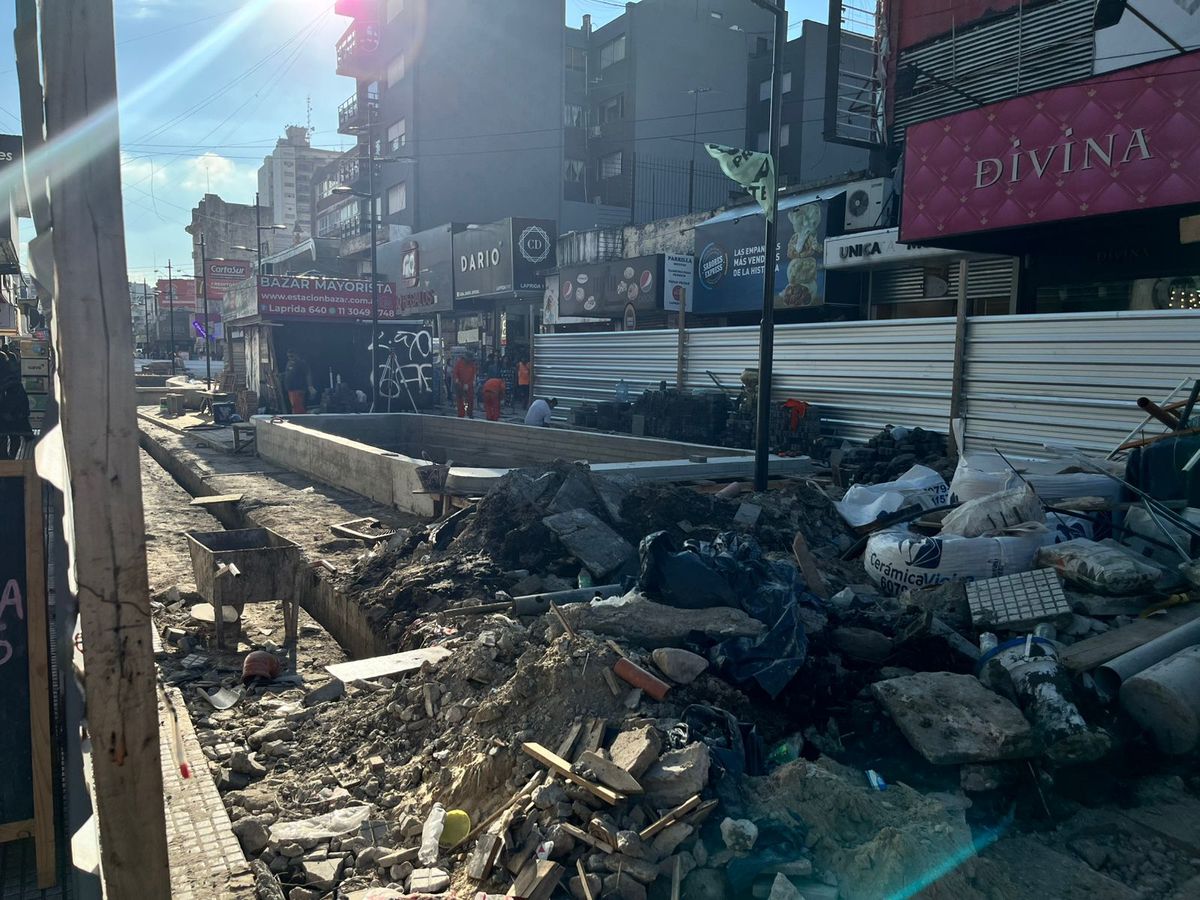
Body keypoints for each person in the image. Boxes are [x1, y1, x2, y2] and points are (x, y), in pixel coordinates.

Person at [284, 350, 315, 414]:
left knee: (298, 407)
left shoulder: (301, 363)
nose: (290, 358)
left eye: (291, 356)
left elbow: (308, 374)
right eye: (288, 356)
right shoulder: (289, 363)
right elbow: (288, 373)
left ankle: (300, 421)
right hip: (290, 389)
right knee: (294, 406)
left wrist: (310, 386)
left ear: (296, 355)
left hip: (298, 389)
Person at [452, 352, 477, 418]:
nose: (470, 361)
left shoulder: (472, 365)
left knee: (470, 400)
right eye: (469, 359)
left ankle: (470, 413)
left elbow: (473, 375)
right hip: (460, 384)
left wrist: (470, 383)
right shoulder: (459, 363)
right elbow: (455, 373)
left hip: (469, 385)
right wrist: (457, 380)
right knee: (460, 400)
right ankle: (461, 414)